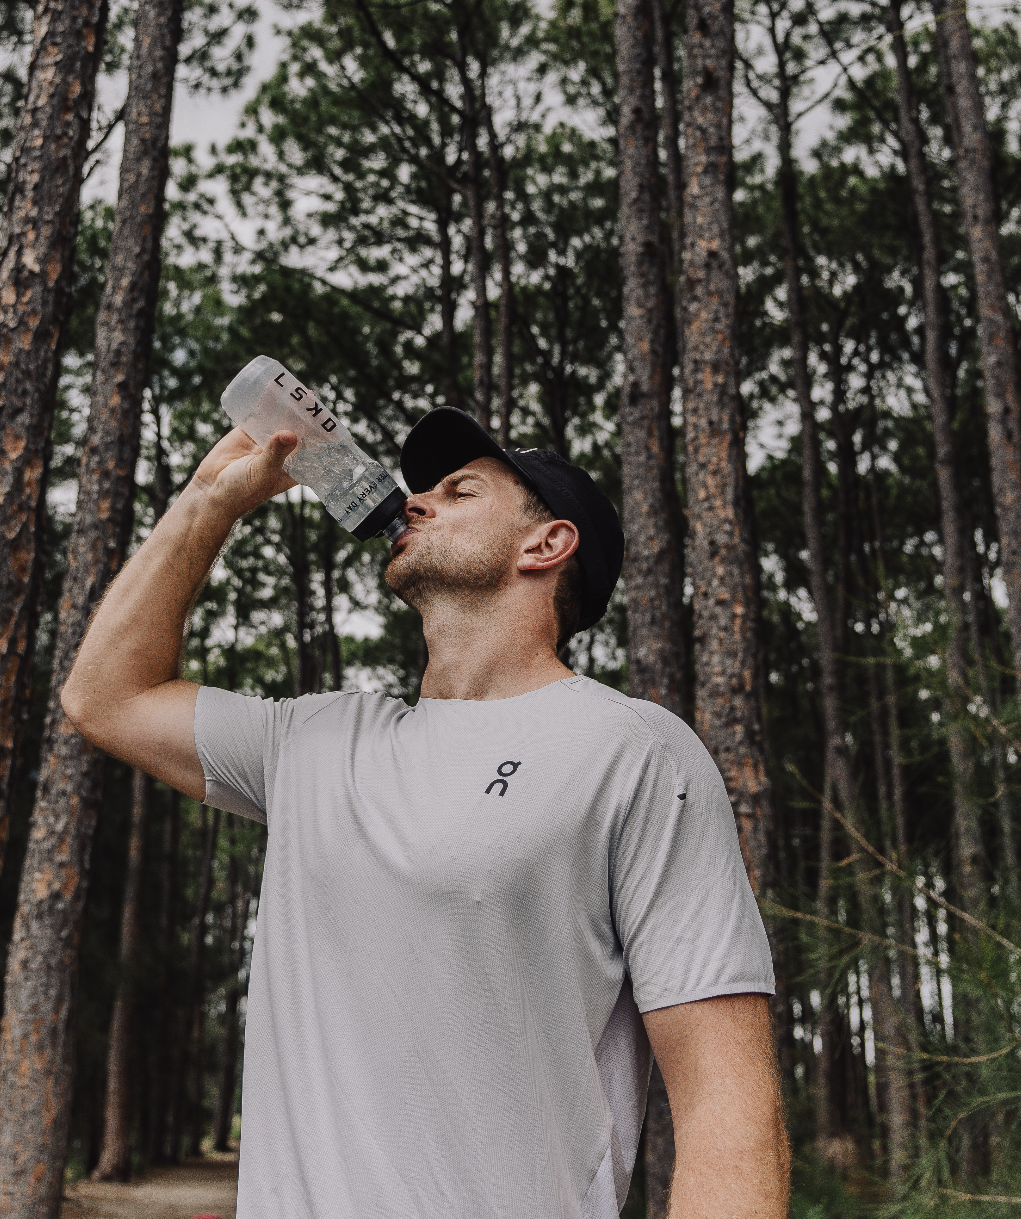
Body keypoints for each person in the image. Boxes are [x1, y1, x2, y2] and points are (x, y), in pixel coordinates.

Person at [63, 406, 790, 1219]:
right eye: (421, 489)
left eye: (459, 491)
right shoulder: (311, 741)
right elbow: (105, 696)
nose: (414, 501)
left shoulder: (636, 752)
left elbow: (726, 1108)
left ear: (545, 545)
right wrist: (208, 501)